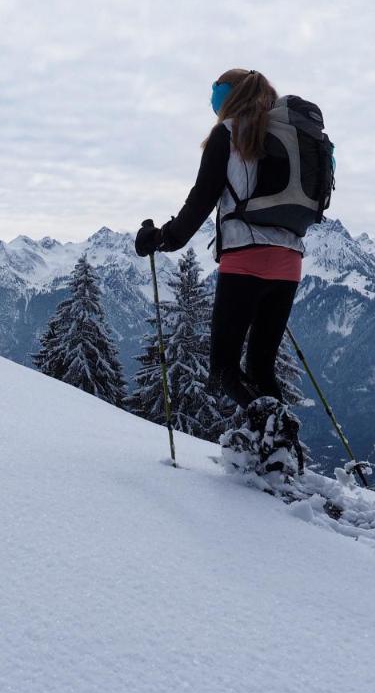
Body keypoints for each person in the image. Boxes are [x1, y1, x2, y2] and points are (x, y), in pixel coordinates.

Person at [134, 69, 333, 473]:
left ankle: (271, 428)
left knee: (224, 369)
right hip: (289, 264)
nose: (212, 98)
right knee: (261, 367)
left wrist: (160, 239)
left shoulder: (230, 133)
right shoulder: (290, 135)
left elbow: (201, 200)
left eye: (215, 91)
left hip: (245, 260)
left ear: (229, 95)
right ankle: (281, 450)